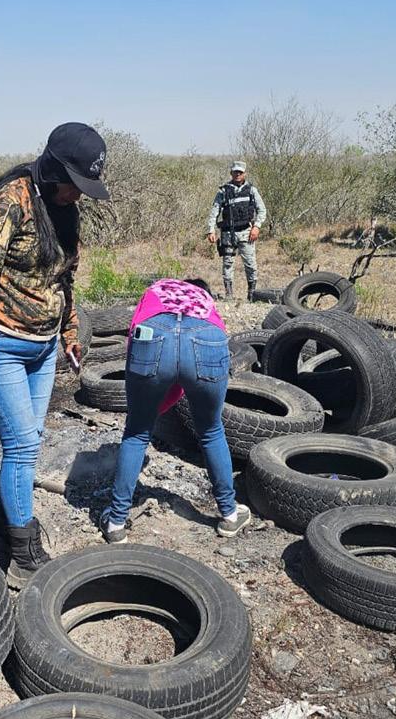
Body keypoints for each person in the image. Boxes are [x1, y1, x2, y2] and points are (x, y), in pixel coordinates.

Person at [0, 122, 109, 588]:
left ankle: (3, 536)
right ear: (53, 169)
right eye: (73, 184)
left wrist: (70, 329)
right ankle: (24, 555)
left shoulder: (65, 210)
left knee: (30, 441)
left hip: (43, 348)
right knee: (22, 445)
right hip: (1, 342)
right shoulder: (11, 200)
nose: (77, 194)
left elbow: (64, 278)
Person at [99, 278, 251, 543]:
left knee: (137, 432)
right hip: (207, 336)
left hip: (153, 333)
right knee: (211, 430)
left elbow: (134, 337)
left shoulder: (157, 289)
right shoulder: (205, 300)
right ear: (201, 289)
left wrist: (150, 408)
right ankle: (229, 514)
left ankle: (116, 523)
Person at [206, 161, 267, 300]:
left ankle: (252, 295)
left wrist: (257, 226)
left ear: (245, 173)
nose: (237, 174)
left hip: (246, 233)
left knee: (250, 264)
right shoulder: (223, 191)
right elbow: (214, 212)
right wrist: (211, 230)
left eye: (240, 172)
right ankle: (229, 294)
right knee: (227, 264)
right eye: (235, 172)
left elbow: (262, 210)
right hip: (228, 234)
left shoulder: (251, 190)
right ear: (231, 173)